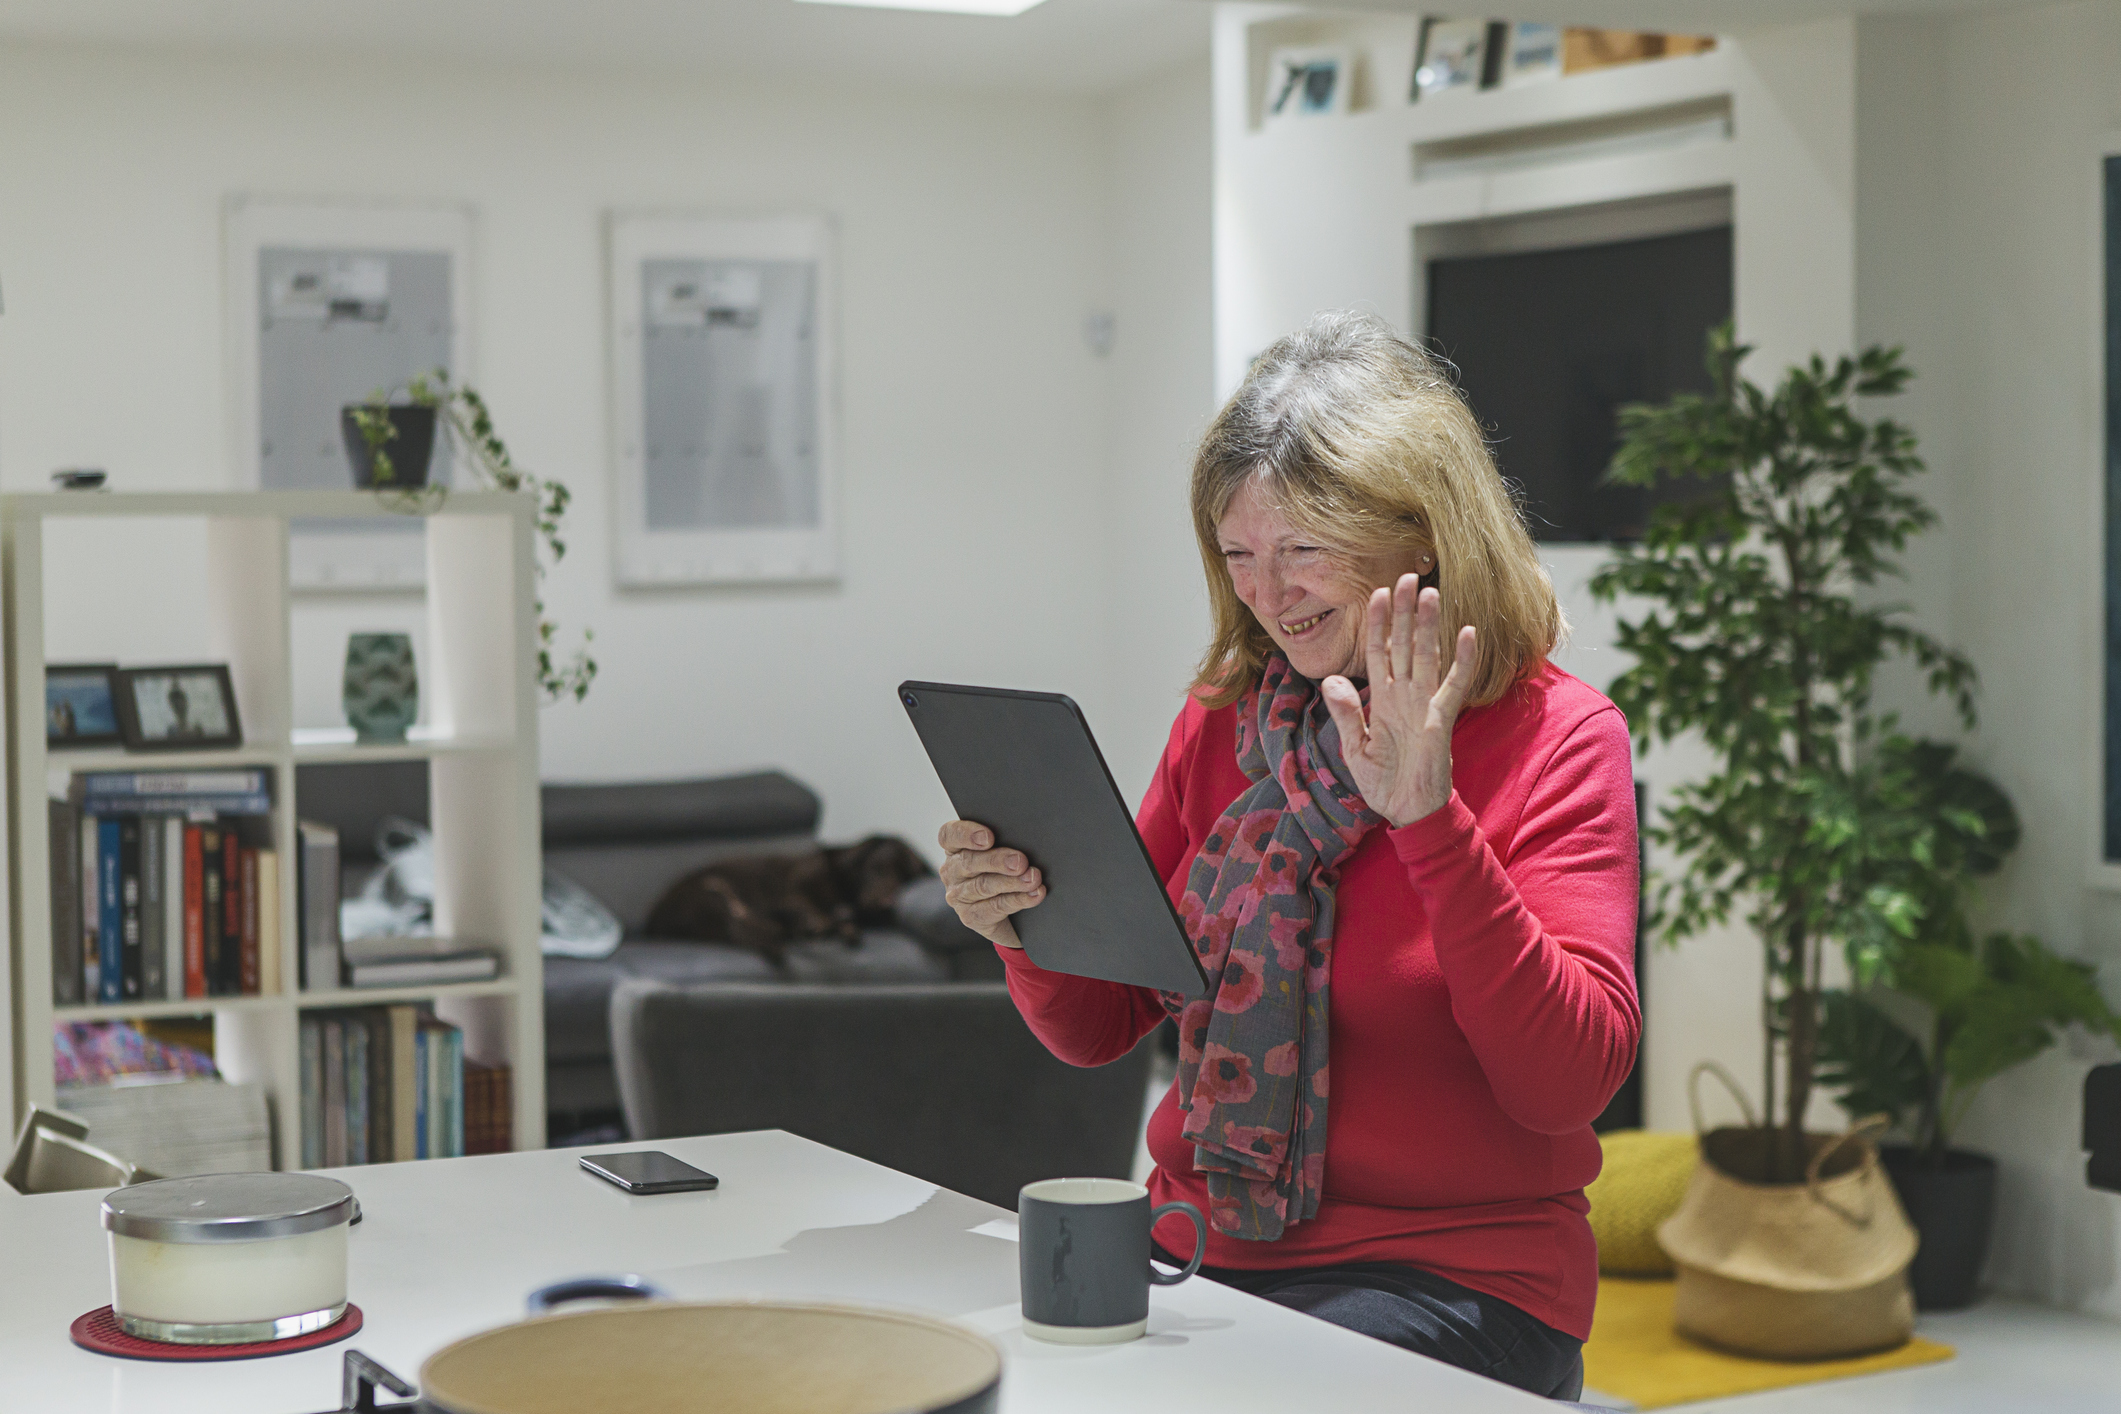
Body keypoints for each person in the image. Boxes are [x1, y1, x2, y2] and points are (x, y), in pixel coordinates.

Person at [936, 311, 1639, 1401]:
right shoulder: (1224, 721)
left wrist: (1431, 823)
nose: (1268, 592)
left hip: (1460, 1281)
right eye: (1239, 555)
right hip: (1203, 1256)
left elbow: (1567, 1084)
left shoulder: (1561, 736)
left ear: (1422, 534)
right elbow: (1098, 1026)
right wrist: (1020, 923)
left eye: (1304, 548)